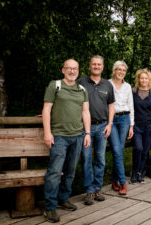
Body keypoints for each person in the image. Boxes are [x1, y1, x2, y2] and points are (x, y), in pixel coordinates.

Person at [42, 59, 91, 223]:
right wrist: (48, 133)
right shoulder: (55, 85)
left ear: (78, 70)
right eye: (69, 68)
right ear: (63, 70)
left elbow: (85, 112)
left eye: (75, 68)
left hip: (77, 136)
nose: (72, 71)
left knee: (70, 171)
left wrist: (88, 133)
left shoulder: (82, 89)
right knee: (55, 172)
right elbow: (47, 109)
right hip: (59, 136)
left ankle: (63, 198)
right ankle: (50, 207)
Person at [78, 55, 115, 205]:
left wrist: (110, 124)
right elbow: (70, 99)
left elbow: (111, 105)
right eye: (94, 64)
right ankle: (89, 190)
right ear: (89, 66)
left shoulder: (107, 85)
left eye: (99, 64)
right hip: (85, 127)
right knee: (86, 159)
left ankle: (97, 188)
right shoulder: (81, 82)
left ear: (103, 67)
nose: (96, 66)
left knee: (100, 159)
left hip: (102, 126)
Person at [108, 60, 134, 195]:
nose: (121, 72)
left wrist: (131, 125)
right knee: (117, 151)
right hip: (111, 120)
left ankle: (114, 179)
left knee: (119, 151)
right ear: (114, 71)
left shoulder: (128, 86)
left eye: (123, 70)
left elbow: (131, 105)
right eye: (119, 69)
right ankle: (123, 182)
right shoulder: (107, 84)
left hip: (124, 119)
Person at [131, 68, 151, 184]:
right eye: (141, 78)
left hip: (148, 125)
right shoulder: (133, 91)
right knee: (138, 148)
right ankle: (134, 171)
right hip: (136, 125)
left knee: (145, 151)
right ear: (138, 79)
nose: (143, 80)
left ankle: (139, 173)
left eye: (146, 78)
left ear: (149, 80)